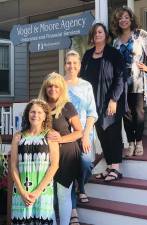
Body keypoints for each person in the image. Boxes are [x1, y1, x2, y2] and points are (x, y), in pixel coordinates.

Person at [111, 6, 147, 156]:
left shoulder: (140, 35)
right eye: (120, 18)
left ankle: (139, 141)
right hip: (121, 81)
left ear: (131, 19)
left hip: (138, 79)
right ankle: (131, 143)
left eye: (126, 17)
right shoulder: (115, 41)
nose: (123, 20)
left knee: (138, 112)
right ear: (117, 21)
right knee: (126, 113)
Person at [80, 23, 126, 182]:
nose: (97, 35)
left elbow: (120, 78)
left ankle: (116, 168)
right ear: (92, 37)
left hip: (111, 100)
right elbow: (82, 79)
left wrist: (114, 99)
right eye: (95, 32)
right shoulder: (87, 55)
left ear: (105, 35)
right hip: (94, 102)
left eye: (100, 32)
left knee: (113, 133)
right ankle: (108, 166)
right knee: (101, 134)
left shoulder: (114, 54)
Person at [38, 72, 83, 225]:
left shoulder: (67, 106)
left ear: (61, 88)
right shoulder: (40, 108)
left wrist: (61, 139)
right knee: (47, 195)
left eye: (56, 86)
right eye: (50, 86)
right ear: (45, 88)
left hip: (66, 155)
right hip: (45, 157)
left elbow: (79, 132)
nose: (53, 89)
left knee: (63, 195)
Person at [11, 99, 59, 225]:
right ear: (28, 114)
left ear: (45, 116)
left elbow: (54, 165)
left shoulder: (50, 135)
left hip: (42, 191)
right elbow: (13, 166)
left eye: (39, 112)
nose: (35, 115)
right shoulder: (18, 137)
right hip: (22, 192)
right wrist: (21, 192)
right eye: (32, 112)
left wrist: (38, 191)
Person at [64, 50, 98, 224]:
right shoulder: (59, 85)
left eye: (74, 63)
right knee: (69, 169)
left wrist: (85, 135)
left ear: (79, 66)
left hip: (84, 132)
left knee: (85, 163)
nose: (71, 66)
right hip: (66, 136)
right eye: (68, 63)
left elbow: (92, 113)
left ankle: (81, 185)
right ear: (64, 65)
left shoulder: (86, 86)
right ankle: (73, 210)